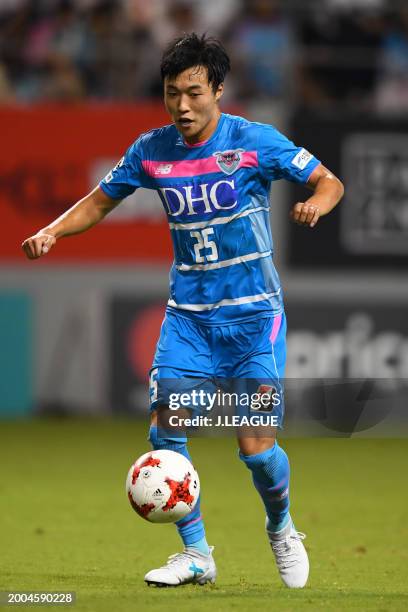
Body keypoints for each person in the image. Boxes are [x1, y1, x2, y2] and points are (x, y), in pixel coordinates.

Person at [22, 33, 344, 589]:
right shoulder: (151, 149)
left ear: (218, 89)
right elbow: (101, 200)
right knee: (165, 433)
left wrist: (316, 200)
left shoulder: (254, 141)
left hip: (252, 321)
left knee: (256, 452)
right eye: (172, 93)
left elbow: (328, 180)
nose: (182, 106)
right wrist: (52, 230)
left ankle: (282, 526)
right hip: (189, 319)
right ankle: (197, 554)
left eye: (194, 92)